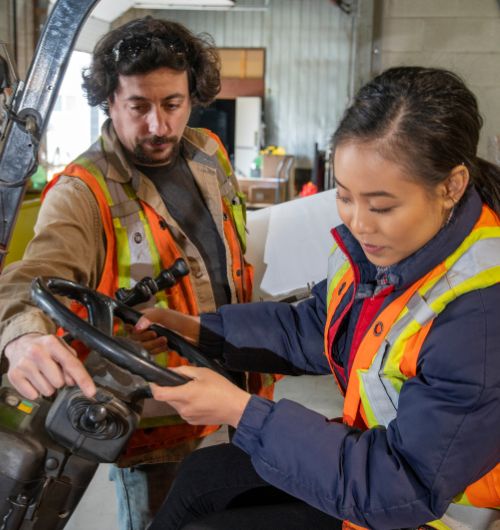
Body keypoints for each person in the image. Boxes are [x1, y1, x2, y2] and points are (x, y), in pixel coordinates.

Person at [135, 67, 500, 530]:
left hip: (423, 510)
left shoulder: (479, 313)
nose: (359, 223)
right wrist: (201, 329)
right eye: (345, 197)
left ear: (451, 187)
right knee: (203, 476)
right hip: (372, 468)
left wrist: (241, 411)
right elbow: (317, 325)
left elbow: (404, 484)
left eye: (382, 206)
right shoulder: (385, 252)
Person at [0, 16, 276, 530]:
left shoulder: (209, 156)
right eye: (139, 107)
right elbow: (30, 276)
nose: (158, 125)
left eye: (172, 104)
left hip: (240, 398)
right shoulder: (83, 192)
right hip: (159, 428)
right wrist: (20, 338)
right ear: (109, 101)